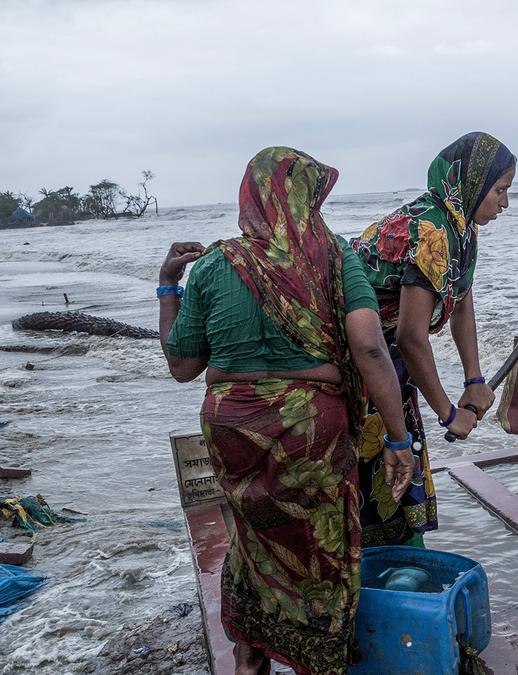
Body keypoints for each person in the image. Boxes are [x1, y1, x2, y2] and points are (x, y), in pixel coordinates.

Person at [158, 147, 414, 675]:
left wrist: (168, 287)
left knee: (254, 543)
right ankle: (317, 660)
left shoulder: (213, 264)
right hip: (312, 431)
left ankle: (251, 658)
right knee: (319, 552)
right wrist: (397, 437)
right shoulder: (337, 256)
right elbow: (369, 350)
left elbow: (182, 365)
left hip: (231, 427)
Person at [351, 131, 516, 547]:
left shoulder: (461, 228)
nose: (504, 203)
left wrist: (474, 379)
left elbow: (461, 304)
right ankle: (382, 570)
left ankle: (394, 564)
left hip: (387, 359)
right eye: (499, 190)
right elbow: (410, 337)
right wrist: (447, 413)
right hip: (361, 358)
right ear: (474, 183)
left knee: (396, 462)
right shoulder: (433, 231)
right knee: (382, 464)